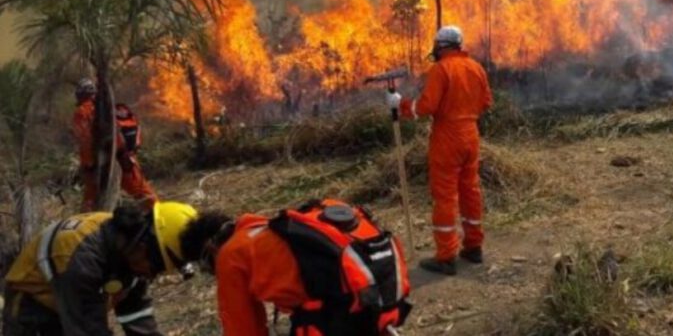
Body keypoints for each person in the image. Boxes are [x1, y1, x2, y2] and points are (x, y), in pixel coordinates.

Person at [182, 198, 412, 336]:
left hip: (343, 318)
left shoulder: (232, 255)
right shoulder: (281, 229)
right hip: (386, 300)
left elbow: (244, 330)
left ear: (210, 248)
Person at [2, 201, 202, 336]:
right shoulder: (80, 258)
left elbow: (135, 312)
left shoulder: (130, 248)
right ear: (143, 246)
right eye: (157, 267)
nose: (152, 275)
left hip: (76, 307)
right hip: (33, 309)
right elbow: (86, 329)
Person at [387, 25, 493, 275]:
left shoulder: (441, 69)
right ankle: (474, 247)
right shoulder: (476, 68)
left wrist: (399, 104)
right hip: (471, 135)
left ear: (441, 46)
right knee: (470, 190)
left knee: (445, 195)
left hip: (448, 138)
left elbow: (425, 107)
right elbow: (486, 102)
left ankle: (446, 257)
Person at [73, 78, 157, 212]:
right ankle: (159, 217)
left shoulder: (82, 112)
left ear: (80, 95)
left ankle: (89, 229)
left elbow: (85, 140)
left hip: (101, 163)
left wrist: (87, 165)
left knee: (91, 202)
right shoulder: (112, 107)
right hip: (126, 159)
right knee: (142, 192)